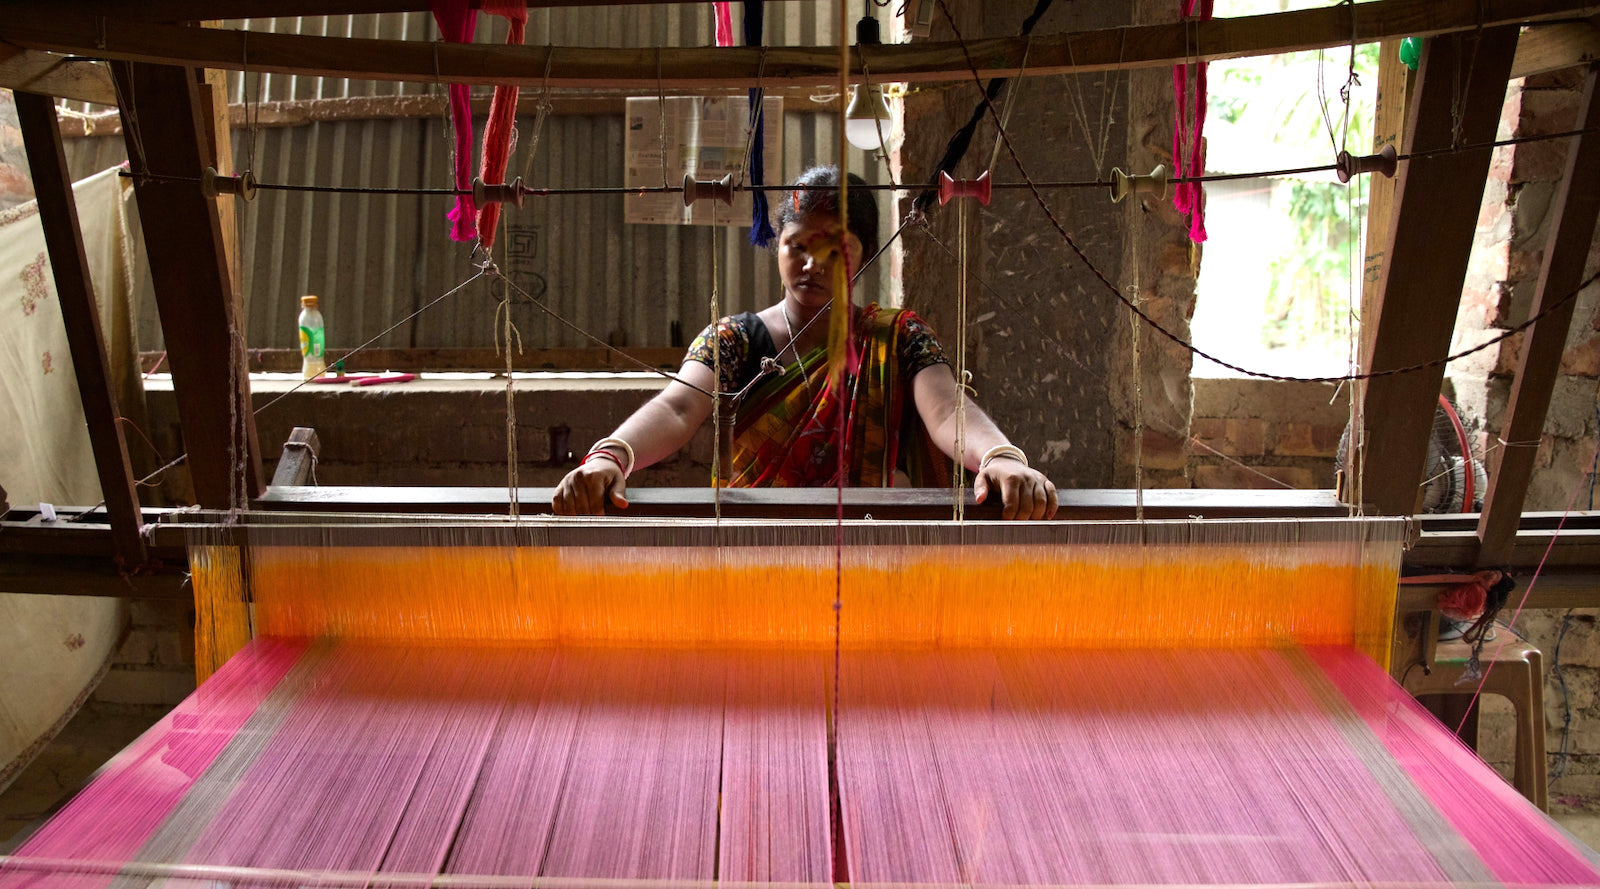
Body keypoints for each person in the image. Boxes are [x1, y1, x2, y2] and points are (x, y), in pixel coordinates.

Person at [553, 165, 1057, 520]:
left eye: (834, 250)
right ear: (778, 247)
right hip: (755, 555)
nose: (812, 265)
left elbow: (946, 409)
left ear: (862, 257)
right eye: (797, 246)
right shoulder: (732, 341)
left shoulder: (899, 338)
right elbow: (680, 407)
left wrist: (1001, 457)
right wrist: (610, 456)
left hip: (870, 552)